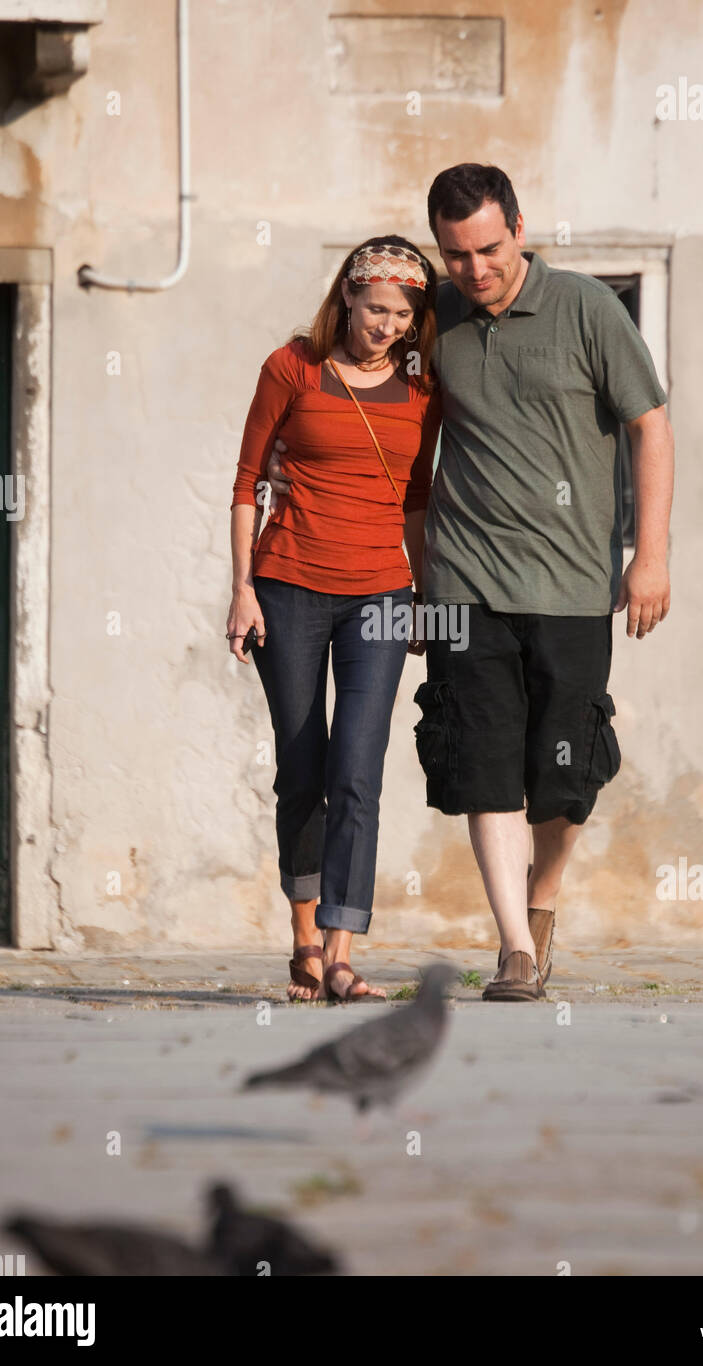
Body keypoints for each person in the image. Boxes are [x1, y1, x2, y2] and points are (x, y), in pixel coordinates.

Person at [267, 166, 674, 1003]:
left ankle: (542, 899)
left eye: (488, 249)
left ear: (518, 228)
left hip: (570, 585)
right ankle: (514, 949)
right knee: (483, 763)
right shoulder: (433, 316)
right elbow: (354, 362)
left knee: (564, 774)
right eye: (456, 255)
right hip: (464, 584)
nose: (474, 270)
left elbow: (650, 427)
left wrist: (650, 554)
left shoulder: (588, 310)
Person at [227, 237, 441, 1003]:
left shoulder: (422, 389)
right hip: (287, 584)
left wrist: (422, 590)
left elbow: (417, 498)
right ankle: (302, 942)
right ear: (347, 296)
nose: (387, 326)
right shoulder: (292, 366)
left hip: (381, 595)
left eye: (403, 316)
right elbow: (248, 482)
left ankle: (342, 953)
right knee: (302, 767)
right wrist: (242, 588)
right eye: (376, 308)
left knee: (357, 771)